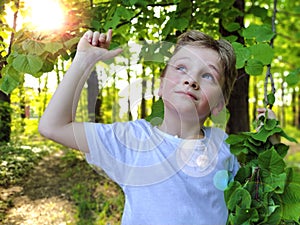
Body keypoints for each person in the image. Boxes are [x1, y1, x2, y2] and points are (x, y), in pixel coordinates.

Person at [39, 29, 240, 225]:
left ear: (219, 104)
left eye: (208, 76)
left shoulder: (224, 146)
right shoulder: (131, 140)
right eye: (181, 68)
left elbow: (252, 199)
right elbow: (53, 126)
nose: (191, 80)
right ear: (161, 86)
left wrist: (270, 136)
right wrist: (83, 61)